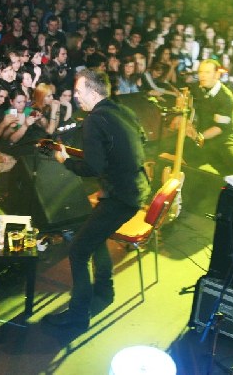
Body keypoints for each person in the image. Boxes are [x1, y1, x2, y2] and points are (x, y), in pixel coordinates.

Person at [43, 69, 150, 331]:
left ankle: (78, 316)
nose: (76, 97)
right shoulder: (122, 110)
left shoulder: (94, 120)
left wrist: (66, 161)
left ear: (92, 92)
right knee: (95, 237)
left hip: (121, 198)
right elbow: (138, 142)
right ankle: (104, 290)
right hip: (136, 189)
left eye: (79, 92)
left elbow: (93, 167)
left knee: (78, 251)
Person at [182, 59, 233, 174]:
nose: (202, 75)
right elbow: (191, 109)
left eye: (207, 72)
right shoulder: (198, 88)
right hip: (202, 135)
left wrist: (198, 137)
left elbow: (219, 128)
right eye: (200, 72)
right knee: (177, 155)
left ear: (217, 75)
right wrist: (188, 125)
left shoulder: (225, 98)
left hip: (222, 138)